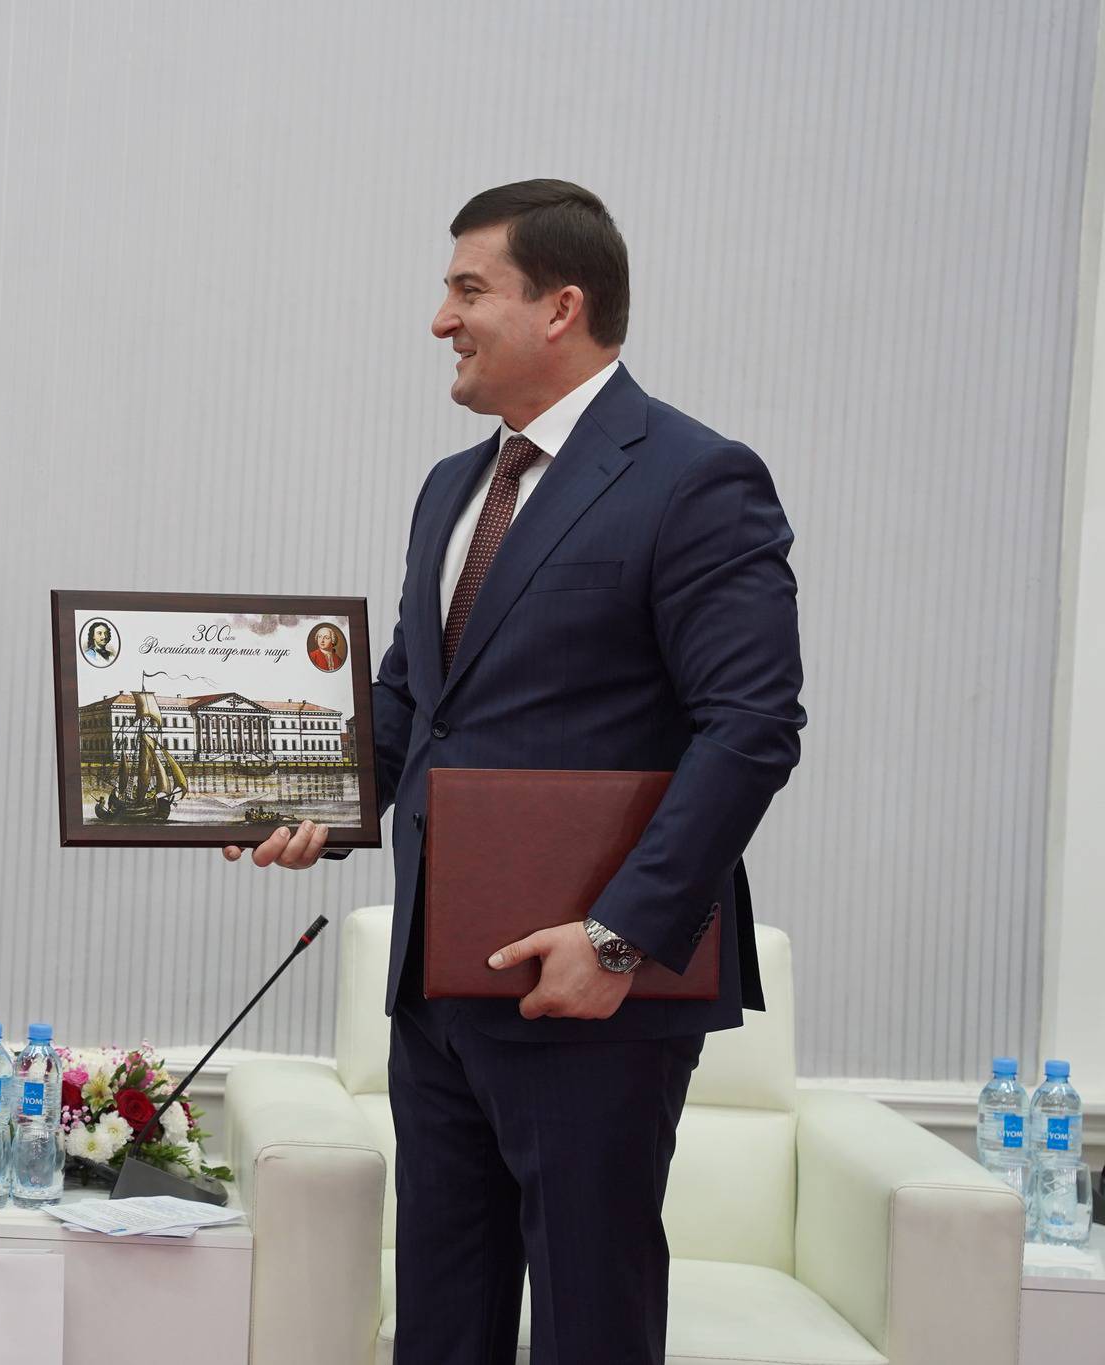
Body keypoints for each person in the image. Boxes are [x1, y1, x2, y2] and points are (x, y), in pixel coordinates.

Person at [227, 180, 803, 1364]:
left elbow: (749, 728)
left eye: (466, 290)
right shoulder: (451, 488)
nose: (439, 319)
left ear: (560, 307)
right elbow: (410, 701)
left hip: (590, 992)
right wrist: (314, 806)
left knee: (588, 1320)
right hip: (438, 986)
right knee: (442, 1319)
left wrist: (615, 939)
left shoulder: (694, 477)